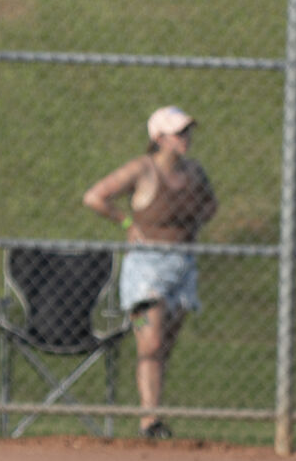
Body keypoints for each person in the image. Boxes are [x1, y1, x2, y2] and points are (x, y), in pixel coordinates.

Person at [82, 105, 218, 439]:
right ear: (158, 138)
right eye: (178, 132)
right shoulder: (142, 170)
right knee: (150, 339)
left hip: (183, 266)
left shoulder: (194, 172)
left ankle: (154, 414)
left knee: (166, 343)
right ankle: (149, 419)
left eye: (187, 131)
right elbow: (95, 197)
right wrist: (127, 222)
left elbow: (210, 204)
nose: (185, 138)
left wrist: (193, 225)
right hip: (146, 269)